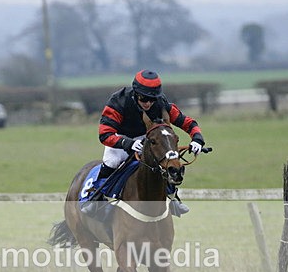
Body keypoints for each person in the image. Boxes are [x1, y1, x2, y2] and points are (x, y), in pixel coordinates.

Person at [86, 69, 206, 216]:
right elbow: (104, 134)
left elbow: (188, 123)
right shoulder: (118, 102)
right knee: (113, 161)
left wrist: (198, 139)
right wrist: (127, 143)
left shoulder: (161, 102)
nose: (148, 103)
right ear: (136, 93)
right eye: (144, 99)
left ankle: (172, 197)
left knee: (164, 161)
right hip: (120, 138)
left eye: (152, 99)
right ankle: (96, 197)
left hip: (147, 137)